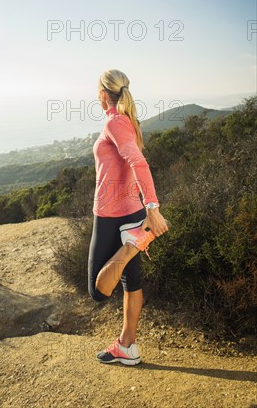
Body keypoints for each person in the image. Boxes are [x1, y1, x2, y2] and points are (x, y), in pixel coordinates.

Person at [88, 69, 169, 365]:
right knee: (130, 283)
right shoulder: (127, 121)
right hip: (132, 212)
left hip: (112, 214)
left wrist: (153, 206)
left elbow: (138, 162)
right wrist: (145, 208)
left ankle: (133, 243)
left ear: (102, 94)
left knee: (98, 291)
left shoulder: (114, 121)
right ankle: (127, 346)